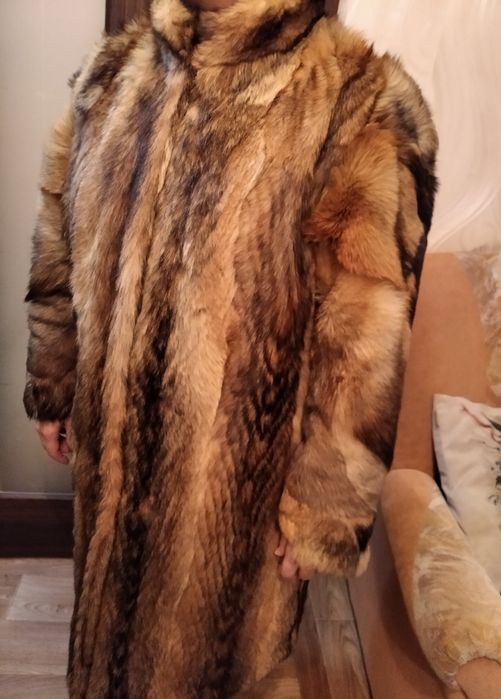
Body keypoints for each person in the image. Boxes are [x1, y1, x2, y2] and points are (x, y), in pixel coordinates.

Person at [23, 0, 438, 696]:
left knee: (206, 671)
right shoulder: (111, 77)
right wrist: (53, 379)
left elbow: (363, 334)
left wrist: (327, 506)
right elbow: (59, 243)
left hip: (231, 511)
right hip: (112, 481)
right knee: (105, 660)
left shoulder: (355, 99)